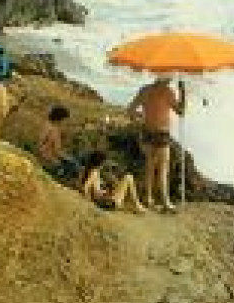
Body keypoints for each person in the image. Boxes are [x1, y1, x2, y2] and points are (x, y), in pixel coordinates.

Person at [126, 76, 186, 212]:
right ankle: (165, 202)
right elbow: (181, 112)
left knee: (149, 167)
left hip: (147, 132)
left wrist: (141, 122)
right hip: (162, 134)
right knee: (163, 169)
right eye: (170, 76)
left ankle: (148, 198)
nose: (171, 79)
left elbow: (130, 110)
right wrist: (183, 92)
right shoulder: (168, 91)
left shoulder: (144, 90)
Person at [79, 152, 148, 214]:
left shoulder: (89, 171)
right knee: (128, 177)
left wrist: (105, 191)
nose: (104, 164)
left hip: (107, 200)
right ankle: (137, 205)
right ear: (99, 162)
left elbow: (87, 186)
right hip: (107, 202)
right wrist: (91, 200)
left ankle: (136, 205)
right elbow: (85, 188)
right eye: (103, 162)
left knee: (126, 178)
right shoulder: (94, 172)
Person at [37, 105, 81, 181]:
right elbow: (57, 151)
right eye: (65, 119)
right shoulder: (55, 130)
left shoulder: (46, 125)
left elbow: (42, 142)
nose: (65, 122)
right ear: (60, 118)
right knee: (73, 164)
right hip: (49, 159)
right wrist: (69, 158)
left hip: (41, 154)